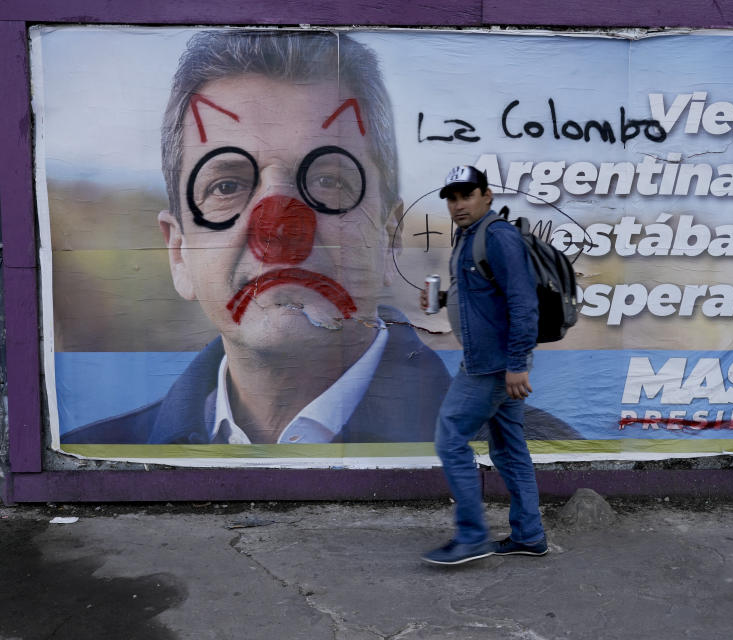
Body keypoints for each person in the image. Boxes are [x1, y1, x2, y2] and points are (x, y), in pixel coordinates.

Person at [62, 30, 579, 447]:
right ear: (178, 252)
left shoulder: (532, 453)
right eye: (227, 185)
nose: (279, 230)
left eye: (329, 181)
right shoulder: (99, 454)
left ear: (389, 237)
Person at [421, 166, 549, 565]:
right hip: (491, 360)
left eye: (467, 195)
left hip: (492, 366)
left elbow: (523, 303)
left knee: (449, 436)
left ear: (487, 195)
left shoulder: (498, 236)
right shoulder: (469, 236)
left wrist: (516, 365)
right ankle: (530, 535)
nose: (458, 205)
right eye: (452, 198)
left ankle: (472, 537)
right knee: (509, 448)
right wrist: (445, 301)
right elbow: (484, 297)